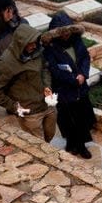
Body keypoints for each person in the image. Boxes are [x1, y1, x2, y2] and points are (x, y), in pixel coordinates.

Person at [0, 25, 56, 142]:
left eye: (35, 42)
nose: (34, 46)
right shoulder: (6, 62)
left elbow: (44, 69)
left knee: (49, 135)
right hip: (30, 113)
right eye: (30, 43)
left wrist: (47, 86)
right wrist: (14, 107)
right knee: (38, 144)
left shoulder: (37, 51)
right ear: (20, 42)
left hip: (48, 105)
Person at [42, 13, 96, 159]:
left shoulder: (77, 41)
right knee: (67, 120)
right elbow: (54, 69)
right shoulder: (51, 49)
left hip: (80, 89)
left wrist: (83, 75)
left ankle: (81, 146)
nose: (66, 35)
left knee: (81, 119)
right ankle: (71, 144)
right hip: (64, 91)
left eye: (67, 31)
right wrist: (73, 79)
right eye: (62, 32)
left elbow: (85, 58)